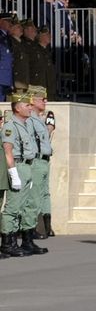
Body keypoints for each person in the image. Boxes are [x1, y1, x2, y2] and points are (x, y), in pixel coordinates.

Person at [2, 91, 44, 256]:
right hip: (18, 166)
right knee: (12, 207)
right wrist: (13, 173)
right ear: (18, 108)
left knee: (23, 207)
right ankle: (7, 243)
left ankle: (18, 242)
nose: (29, 108)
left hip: (27, 166)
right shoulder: (10, 126)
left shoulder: (26, 125)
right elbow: (8, 152)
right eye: (27, 105)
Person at [28, 86, 55, 239]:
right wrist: (48, 128)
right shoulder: (31, 119)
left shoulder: (38, 118)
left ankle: (46, 227)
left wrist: (49, 127)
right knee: (35, 194)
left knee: (45, 193)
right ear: (32, 100)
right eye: (41, 99)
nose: (45, 101)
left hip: (45, 160)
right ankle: (32, 228)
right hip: (37, 160)